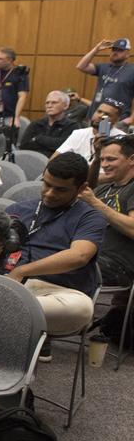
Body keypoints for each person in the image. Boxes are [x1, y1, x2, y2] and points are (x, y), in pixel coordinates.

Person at [0, 153, 105, 350]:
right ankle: (21, 329)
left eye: (60, 189)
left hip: (57, 291)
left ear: (81, 189)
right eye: (46, 184)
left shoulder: (90, 217)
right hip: (6, 282)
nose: (49, 193)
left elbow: (79, 256)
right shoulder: (18, 209)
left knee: (81, 309)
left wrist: (22, 271)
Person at [82, 136, 134, 348]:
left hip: (118, 265)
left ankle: (50, 326)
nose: (105, 164)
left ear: (131, 159)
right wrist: (94, 160)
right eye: (102, 160)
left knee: (64, 265)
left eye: (111, 159)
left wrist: (95, 203)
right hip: (91, 254)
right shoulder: (106, 188)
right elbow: (85, 184)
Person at [76, 37, 134, 125]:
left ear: (127, 54)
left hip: (116, 119)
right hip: (95, 116)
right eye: (114, 49)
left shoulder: (132, 70)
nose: (115, 52)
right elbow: (81, 66)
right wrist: (96, 49)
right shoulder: (104, 67)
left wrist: (131, 119)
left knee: (105, 138)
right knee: (91, 138)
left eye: (120, 50)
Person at [55, 102, 122, 163]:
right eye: (99, 111)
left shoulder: (121, 139)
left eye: (107, 114)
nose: (100, 116)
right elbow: (55, 158)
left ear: (116, 120)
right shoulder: (78, 133)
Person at [20, 91, 77, 156]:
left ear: (66, 106)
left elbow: (64, 147)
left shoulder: (72, 126)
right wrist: (51, 146)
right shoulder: (36, 124)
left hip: (56, 163)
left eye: (54, 103)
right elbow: (24, 145)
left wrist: (38, 138)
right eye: (47, 103)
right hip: (33, 161)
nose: (49, 106)